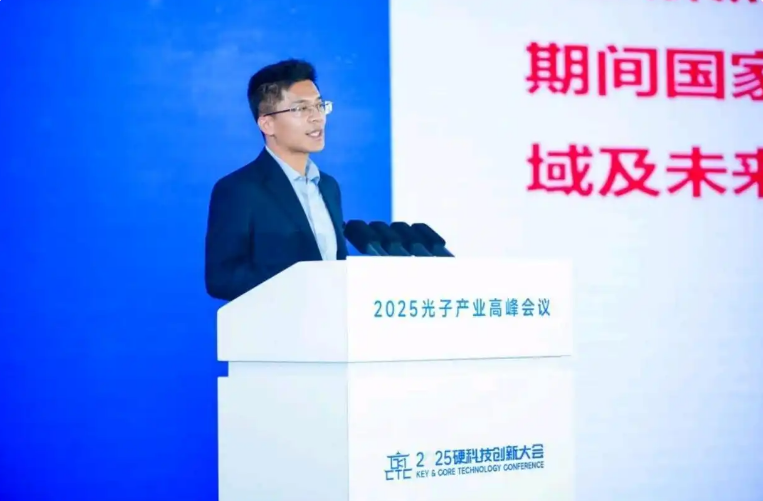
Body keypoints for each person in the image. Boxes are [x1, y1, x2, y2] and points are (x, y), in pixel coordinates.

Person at [204, 59, 348, 301]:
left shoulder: (328, 186)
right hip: (277, 322)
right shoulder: (239, 190)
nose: (317, 117)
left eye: (319, 105)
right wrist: (300, 284)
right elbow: (222, 277)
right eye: (301, 109)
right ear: (267, 123)